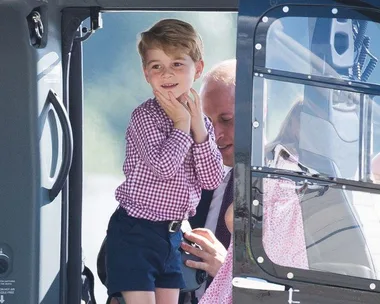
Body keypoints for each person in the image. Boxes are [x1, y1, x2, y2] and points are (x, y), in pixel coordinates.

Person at [105, 19, 224, 304]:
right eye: (156, 65)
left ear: (197, 68)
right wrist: (182, 125)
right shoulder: (145, 116)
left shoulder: (201, 122)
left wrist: (198, 130)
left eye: (177, 64)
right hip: (135, 231)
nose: (166, 73)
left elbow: (211, 179)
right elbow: (163, 167)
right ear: (146, 73)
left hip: (171, 234)